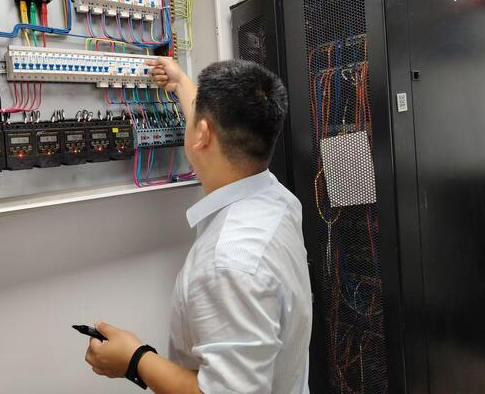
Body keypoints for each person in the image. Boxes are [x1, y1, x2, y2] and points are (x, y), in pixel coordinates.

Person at [84, 58, 313, 394]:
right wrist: (180, 82)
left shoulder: (229, 264)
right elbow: (206, 120)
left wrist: (135, 360)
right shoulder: (277, 199)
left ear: (203, 134)